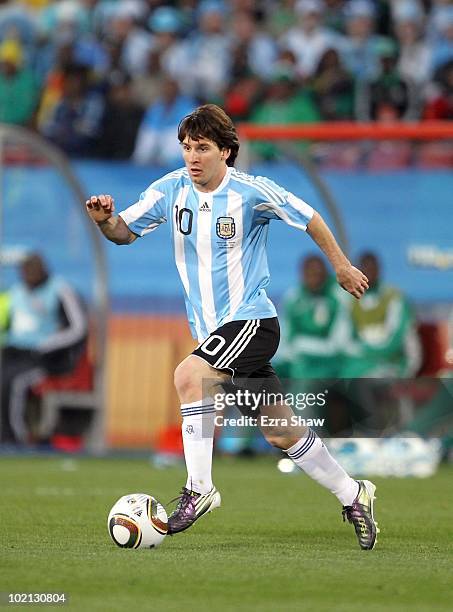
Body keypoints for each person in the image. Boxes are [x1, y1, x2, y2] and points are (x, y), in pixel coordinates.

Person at [86, 104, 379, 550]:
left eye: (202, 148)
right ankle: (353, 494)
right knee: (279, 430)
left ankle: (199, 489)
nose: (192, 157)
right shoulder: (170, 189)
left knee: (189, 376)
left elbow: (310, 217)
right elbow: (124, 232)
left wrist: (341, 265)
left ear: (226, 150)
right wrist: (106, 218)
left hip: (251, 321)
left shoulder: (252, 191)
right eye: (186, 147)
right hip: (214, 333)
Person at [0, 253, 87, 444]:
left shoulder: (60, 289)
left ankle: (13, 438)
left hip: (46, 358)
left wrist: (48, 345)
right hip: (14, 352)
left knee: (15, 382)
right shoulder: (16, 292)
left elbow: (78, 329)